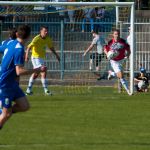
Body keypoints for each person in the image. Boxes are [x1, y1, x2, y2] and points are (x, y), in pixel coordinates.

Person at [0, 25, 45, 129]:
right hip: (5, 84)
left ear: (17, 34)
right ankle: (4, 111)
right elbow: (19, 71)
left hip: (12, 84)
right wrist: (37, 69)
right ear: (29, 36)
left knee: (24, 106)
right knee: (6, 115)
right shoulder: (19, 50)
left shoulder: (11, 42)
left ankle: (5, 110)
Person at [25, 26, 60, 96]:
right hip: (35, 57)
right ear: (40, 32)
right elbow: (29, 47)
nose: (46, 32)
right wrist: (26, 56)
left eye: (47, 31)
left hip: (41, 58)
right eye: (45, 31)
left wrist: (56, 55)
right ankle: (46, 90)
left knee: (36, 74)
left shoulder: (48, 38)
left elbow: (51, 47)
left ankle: (28, 90)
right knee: (43, 69)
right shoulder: (36, 38)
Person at [104, 29, 131, 95]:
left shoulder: (123, 41)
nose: (117, 35)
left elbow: (129, 50)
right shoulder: (110, 42)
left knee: (121, 75)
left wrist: (127, 55)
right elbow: (105, 49)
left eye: (118, 34)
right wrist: (107, 55)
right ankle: (129, 92)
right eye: (115, 34)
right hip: (114, 61)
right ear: (113, 35)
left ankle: (112, 73)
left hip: (122, 60)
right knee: (121, 76)